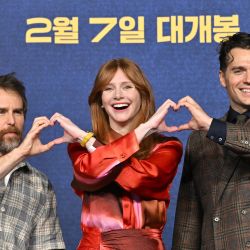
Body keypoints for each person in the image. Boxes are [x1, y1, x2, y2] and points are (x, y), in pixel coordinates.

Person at [50, 58, 183, 250]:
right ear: (100, 101)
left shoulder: (166, 146)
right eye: (108, 88)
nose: (118, 95)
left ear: (142, 96)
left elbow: (138, 179)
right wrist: (84, 139)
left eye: (127, 87)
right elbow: (90, 173)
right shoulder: (78, 147)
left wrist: (85, 138)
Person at [172, 32, 250, 250]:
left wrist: (211, 126)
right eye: (238, 71)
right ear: (222, 77)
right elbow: (188, 222)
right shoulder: (200, 139)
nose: (248, 79)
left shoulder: (210, 129)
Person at [0, 73, 65, 249]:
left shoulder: (39, 184)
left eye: (18, 112)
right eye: (1, 112)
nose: (11, 121)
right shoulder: (21, 153)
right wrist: (22, 152)